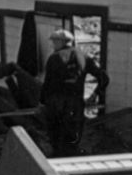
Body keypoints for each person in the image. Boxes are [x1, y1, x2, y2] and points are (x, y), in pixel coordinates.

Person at [40, 28, 109, 157]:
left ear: (61, 42)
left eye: (54, 42)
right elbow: (104, 78)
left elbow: (47, 84)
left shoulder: (54, 58)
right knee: (72, 140)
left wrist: (42, 102)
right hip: (76, 104)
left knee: (57, 140)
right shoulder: (84, 56)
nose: (52, 45)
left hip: (57, 104)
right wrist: (94, 95)